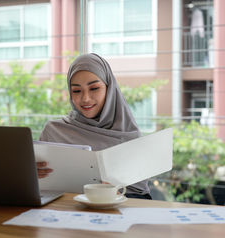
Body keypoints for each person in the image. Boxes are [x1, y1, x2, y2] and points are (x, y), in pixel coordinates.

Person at [37, 53, 152, 199]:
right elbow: (39, 189)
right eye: (77, 91)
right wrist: (31, 175)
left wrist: (117, 196)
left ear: (109, 89)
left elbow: (141, 199)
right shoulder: (53, 132)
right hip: (62, 213)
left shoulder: (129, 138)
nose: (85, 99)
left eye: (94, 88)